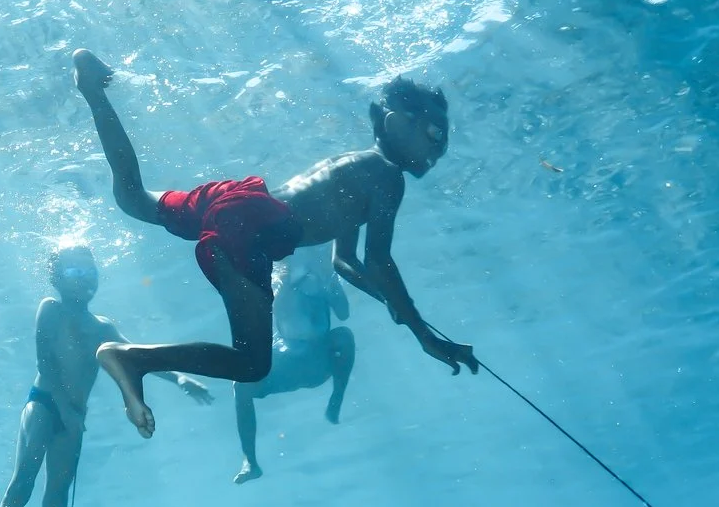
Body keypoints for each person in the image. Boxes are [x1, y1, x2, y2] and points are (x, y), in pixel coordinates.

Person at [69, 48, 476, 436]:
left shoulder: (361, 171)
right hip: (255, 226)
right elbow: (380, 260)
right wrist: (425, 335)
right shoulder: (388, 177)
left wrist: (395, 306)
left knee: (133, 198)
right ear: (393, 122)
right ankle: (133, 358)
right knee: (251, 365)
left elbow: (346, 261)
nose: (440, 148)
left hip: (241, 200)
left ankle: (92, 88)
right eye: (433, 132)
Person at [0, 245, 210, 507]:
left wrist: (180, 378)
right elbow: (44, 357)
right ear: (56, 278)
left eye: (90, 273)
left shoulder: (103, 326)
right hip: (44, 406)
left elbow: (136, 357)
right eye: (75, 273)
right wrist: (63, 408)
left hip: (73, 419)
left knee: (55, 501)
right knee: (23, 483)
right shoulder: (50, 307)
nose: (85, 281)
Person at [232, 249, 357, 484]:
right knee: (241, 385)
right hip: (285, 362)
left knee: (344, 336)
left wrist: (329, 284)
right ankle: (251, 461)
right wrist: (290, 283)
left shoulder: (326, 277)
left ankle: (337, 397)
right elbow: (269, 313)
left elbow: (344, 313)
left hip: (317, 362)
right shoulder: (278, 280)